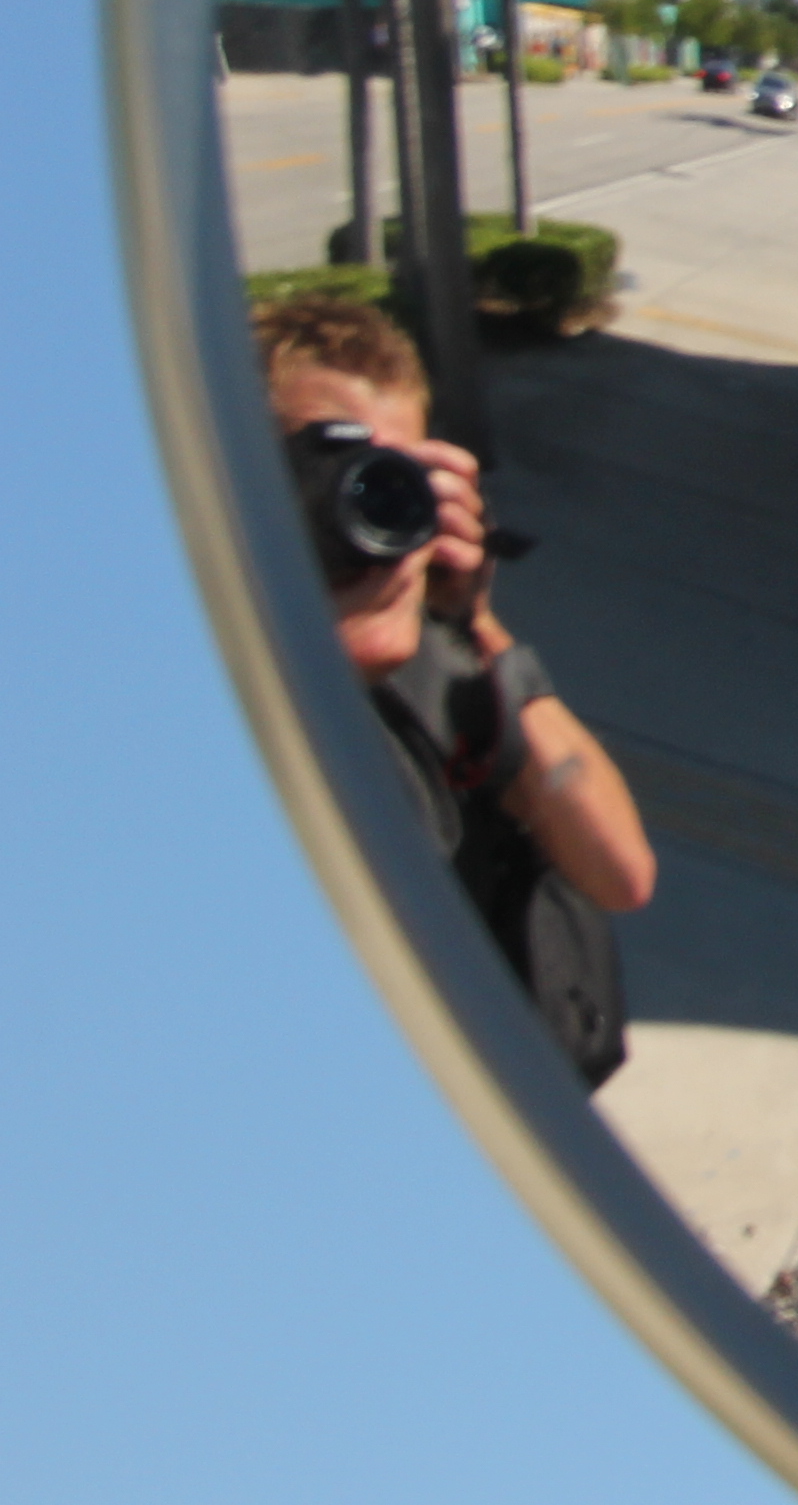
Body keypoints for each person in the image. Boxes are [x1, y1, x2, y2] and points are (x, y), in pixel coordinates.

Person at [255, 293, 656, 1078]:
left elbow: (620, 873)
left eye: (391, 476)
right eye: (323, 468)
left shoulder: (443, 664)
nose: (362, 504)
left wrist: (476, 622)